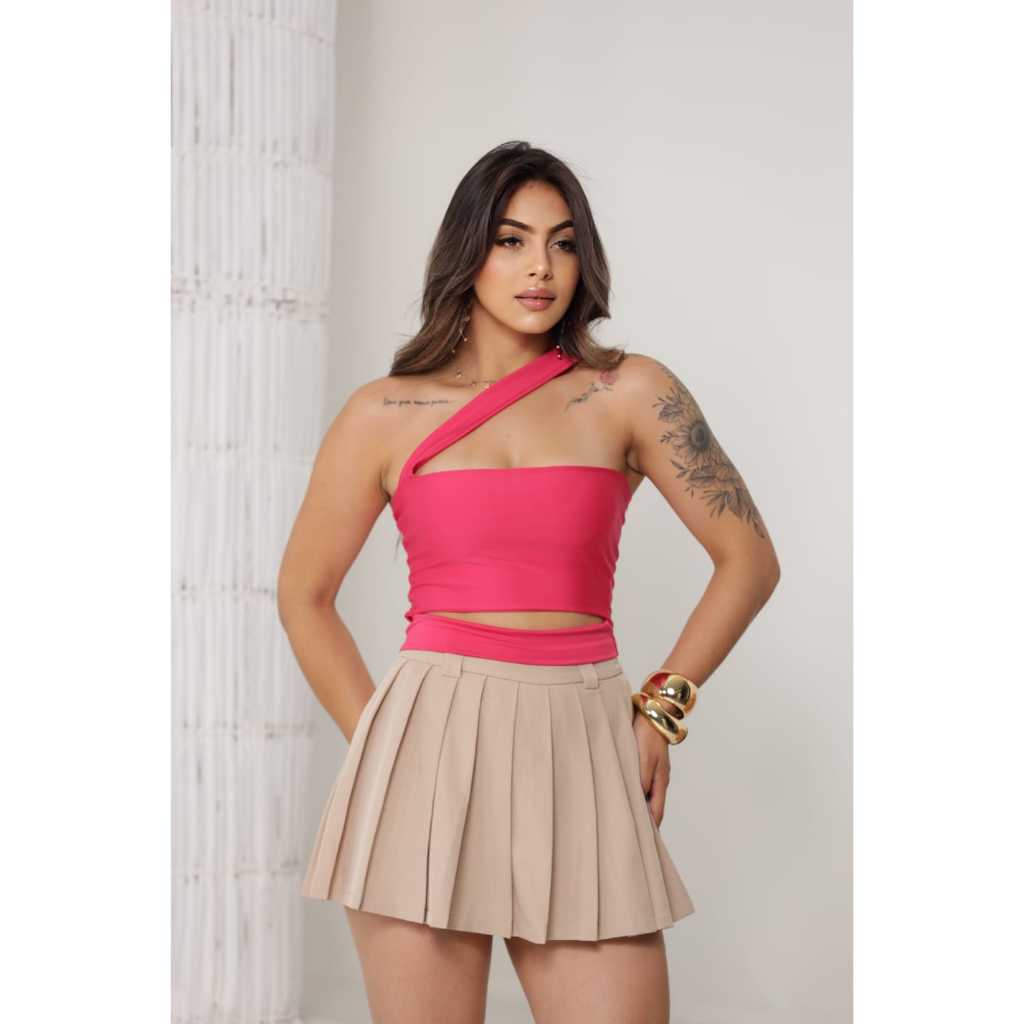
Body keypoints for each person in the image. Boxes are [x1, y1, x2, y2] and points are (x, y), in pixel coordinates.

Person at [277, 140, 781, 1024]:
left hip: (583, 740)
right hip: (427, 741)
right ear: (467, 251)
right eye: (511, 240)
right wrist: (384, 746)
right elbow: (303, 595)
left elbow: (749, 559)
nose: (540, 267)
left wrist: (661, 708)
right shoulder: (382, 412)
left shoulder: (629, 392)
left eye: (563, 242)